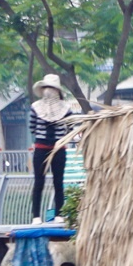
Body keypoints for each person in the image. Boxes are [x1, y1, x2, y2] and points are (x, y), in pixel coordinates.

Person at [28, 74, 81, 223]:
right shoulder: (35, 108)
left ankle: (59, 214)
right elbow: (32, 127)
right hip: (41, 149)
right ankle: (36, 216)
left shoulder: (66, 109)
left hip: (58, 149)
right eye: (46, 88)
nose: (48, 91)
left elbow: (70, 129)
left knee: (58, 182)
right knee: (39, 182)